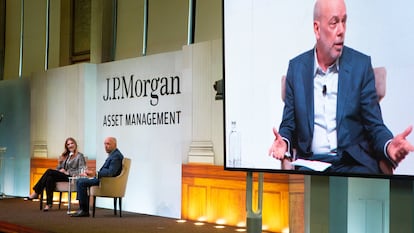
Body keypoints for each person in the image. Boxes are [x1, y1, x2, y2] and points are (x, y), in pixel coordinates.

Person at [268, 0, 414, 174]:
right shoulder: (297, 69)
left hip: (353, 163)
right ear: (317, 29)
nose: (341, 30)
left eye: (344, 21)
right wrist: (283, 141)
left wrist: (388, 145)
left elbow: (375, 125)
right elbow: (289, 124)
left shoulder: (360, 66)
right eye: (334, 23)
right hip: (311, 164)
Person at [25, 137, 86, 211]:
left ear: (75, 144)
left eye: (72, 143)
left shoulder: (80, 156)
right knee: (49, 178)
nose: (70, 145)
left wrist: (67, 172)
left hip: (71, 177)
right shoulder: (66, 156)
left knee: (49, 171)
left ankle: (36, 192)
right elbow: (58, 169)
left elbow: (82, 171)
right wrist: (60, 163)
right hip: (62, 175)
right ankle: (48, 204)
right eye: (68, 144)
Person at [71, 137, 124, 217]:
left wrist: (95, 174)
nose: (105, 146)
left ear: (115, 145)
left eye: (108, 144)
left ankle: (84, 210)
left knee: (81, 182)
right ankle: (83, 209)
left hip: (107, 182)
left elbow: (111, 172)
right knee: (81, 180)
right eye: (105, 144)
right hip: (104, 179)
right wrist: (93, 173)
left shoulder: (116, 156)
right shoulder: (113, 154)